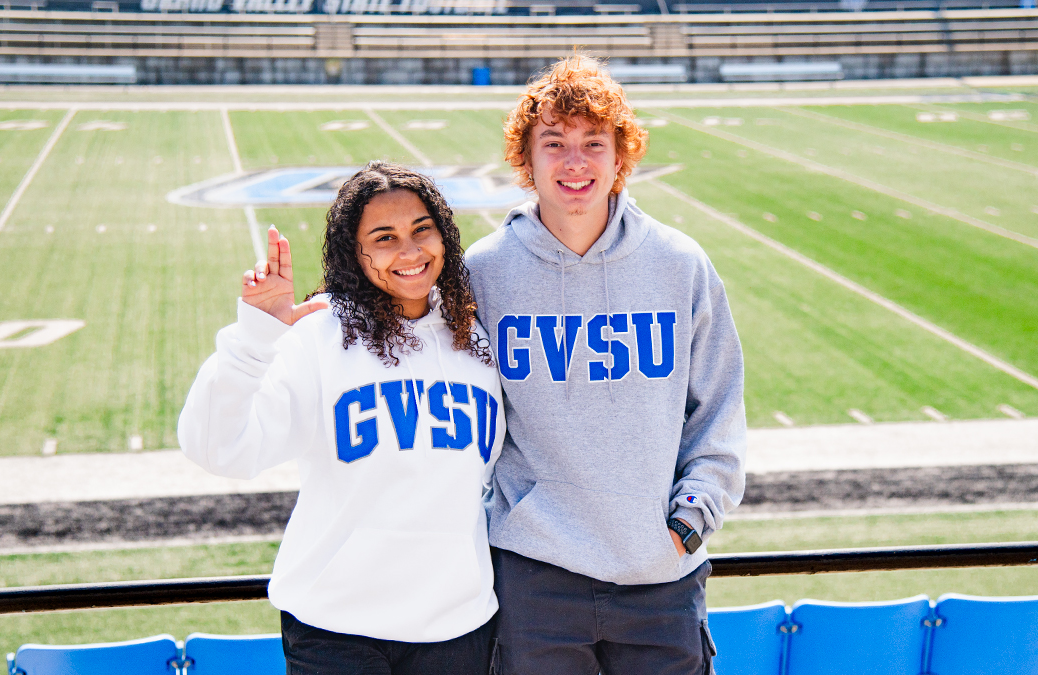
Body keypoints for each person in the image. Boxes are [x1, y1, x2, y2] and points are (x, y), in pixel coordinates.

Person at [465, 55, 746, 674]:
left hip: (661, 575)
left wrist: (690, 520)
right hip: (536, 577)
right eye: (555, 143)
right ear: (526, 160)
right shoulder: (483, 273)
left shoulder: (680, 263)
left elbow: (719, 406)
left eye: (595, 143)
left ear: (621, 156)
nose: (575, 162)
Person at [178, 162, 504, 675]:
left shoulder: (478, 335)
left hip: (456, 628)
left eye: (422, 229)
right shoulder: (321, 334)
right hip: (337, 631)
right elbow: (219, 448)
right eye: (384, 237)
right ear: (355, 253)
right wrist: (253, 339)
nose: (410, 251)